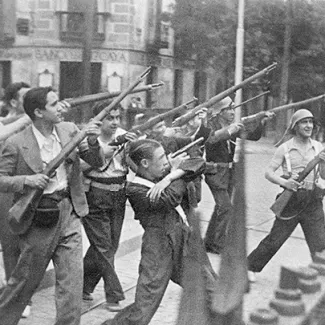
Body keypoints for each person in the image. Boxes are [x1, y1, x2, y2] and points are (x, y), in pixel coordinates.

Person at [0, 86, 105, 325]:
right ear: (38, 112)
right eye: (54, 104)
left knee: (72, 284)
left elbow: (96, 162)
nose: (61, 108)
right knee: (24, 282)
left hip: (69, 211)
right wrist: (26, 180)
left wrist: (91, 140)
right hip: (38, 217)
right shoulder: (16, 143)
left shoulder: (69, 130)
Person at [111, 138, 206, 325]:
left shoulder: (164, 175)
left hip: (184, 239)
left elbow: (199, 162)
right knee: (146, 304)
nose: (166, 161)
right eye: (161, 158)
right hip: (158, 246)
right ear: (145, 164)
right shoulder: (135, 189)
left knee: (209, 289)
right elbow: (170, 198)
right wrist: (179, 174)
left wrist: (170, 176)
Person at [247, 109, 325, 282]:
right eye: (304, 122)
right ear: (295, 126)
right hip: (292, 200)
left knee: (320, 242)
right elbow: (268, 172)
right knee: (275, 240)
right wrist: (285, 183)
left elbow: (324, 175)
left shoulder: (319, 147)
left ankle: (322, 274)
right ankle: (249, 266)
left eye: (311, 122)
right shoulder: (285, 148)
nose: (308, 126)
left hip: (313, 201)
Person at [82, 101, 137, 310]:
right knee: (104, 246)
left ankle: (83, 286)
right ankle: (114, 295)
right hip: (95, 194)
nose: (115, 122)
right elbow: (84, 165)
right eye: (109, 118)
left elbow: (133, 164)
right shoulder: (87, 139)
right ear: (98, 119)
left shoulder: (125, 135)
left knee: (108, 246)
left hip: (119, 195)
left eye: (117, 117)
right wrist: (112, 145)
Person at [204, 96, 273, 255]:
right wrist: (230, 130)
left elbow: (253, 136)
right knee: (225, 206)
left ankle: (210, 240)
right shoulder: (210, 125)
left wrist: (260, 121)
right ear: (220, 111)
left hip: (229, 172)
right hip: (214, 171)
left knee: (222, 207)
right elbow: (211, 140)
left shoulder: (232, 125)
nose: (232, 112)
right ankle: (217, 244)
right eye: (229, 109)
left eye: (233, 109)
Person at [0, 82, 32, 318]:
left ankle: (20, 293)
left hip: (25, 186)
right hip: (4, 189)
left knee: (22, 242)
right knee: (10, 243)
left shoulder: (34, 124)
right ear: (13, 102)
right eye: (26, 98)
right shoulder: (7, 123)